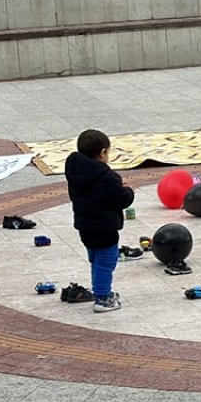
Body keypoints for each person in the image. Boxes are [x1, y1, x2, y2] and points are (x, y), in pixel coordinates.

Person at [66, 129, 135, 313]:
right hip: (105, 228)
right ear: (103, 152)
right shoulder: (108, 177)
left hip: (84, 226)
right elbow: (121, 200)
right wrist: (128, 191)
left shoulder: (75, 171)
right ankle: (102, 298)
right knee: (106, 263)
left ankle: (101, 292)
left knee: (96, 260)